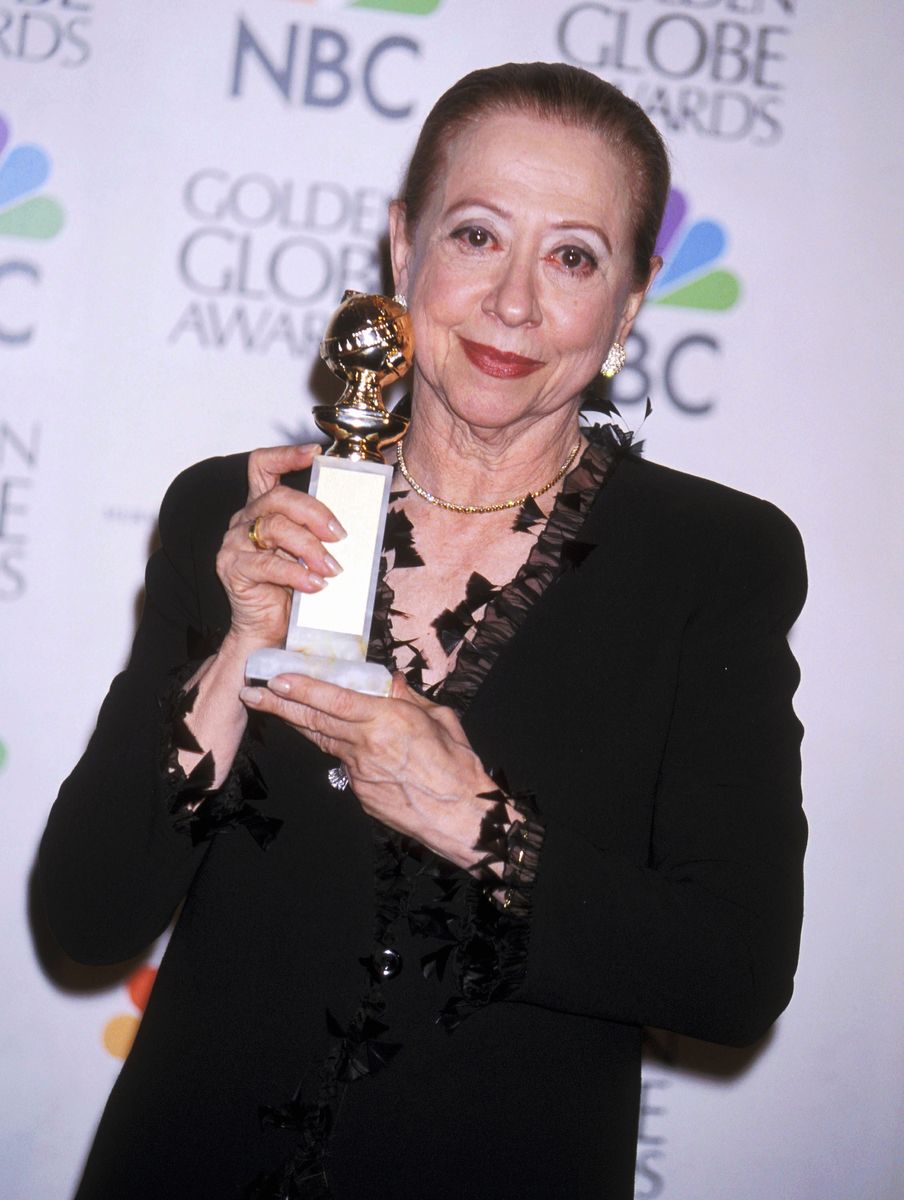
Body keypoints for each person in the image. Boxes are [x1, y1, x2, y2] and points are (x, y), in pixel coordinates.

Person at [39, 62, 807, 1200]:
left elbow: (733, 974)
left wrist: (471, 817)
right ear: (405, 247)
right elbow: (87, 910)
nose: (513, 304)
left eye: (573, 257)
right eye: (477, 235)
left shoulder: (714, 561)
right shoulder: (239, 511)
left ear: (632, 301)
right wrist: (241, 646)